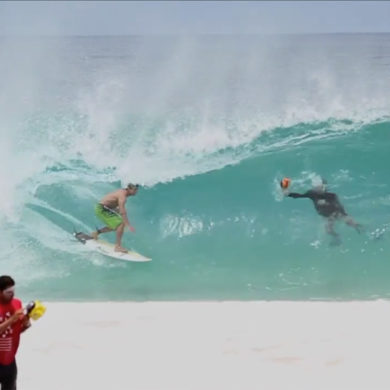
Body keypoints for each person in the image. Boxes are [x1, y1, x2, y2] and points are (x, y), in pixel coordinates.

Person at [285, 179, 362, 245]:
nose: (320, 188)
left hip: (337, 213)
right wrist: (288, 194)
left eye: (322, 187)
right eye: (318, 186)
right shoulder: (312, 194)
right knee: (328, 230)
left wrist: (343, 216)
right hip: (328, 216)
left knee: (352, 224)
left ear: (325, 187)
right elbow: (299, 196)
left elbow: (339, 207)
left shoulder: (331, 195)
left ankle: (369, 232)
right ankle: (337, 238)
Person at [0, 276, 31, 390]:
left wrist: (26, 324)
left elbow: (16, 331)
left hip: (9, 359)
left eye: (13, 291)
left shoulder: (17, 303)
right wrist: (12, 319)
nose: (12, 294)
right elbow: (12, 321)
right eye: (8, 292)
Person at [91, 183, 139, 253]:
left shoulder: (122, 192)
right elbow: (122, 211)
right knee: (120, 224)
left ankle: (96, 233)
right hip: (101, 209)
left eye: (136, 190)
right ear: (129, 189)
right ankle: (118, 247)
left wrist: (118, 211)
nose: (136, 192)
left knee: (117, 225)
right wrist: (128, 225)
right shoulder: (123, 196)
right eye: (134, 190)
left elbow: (113, 204)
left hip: (104, 208)